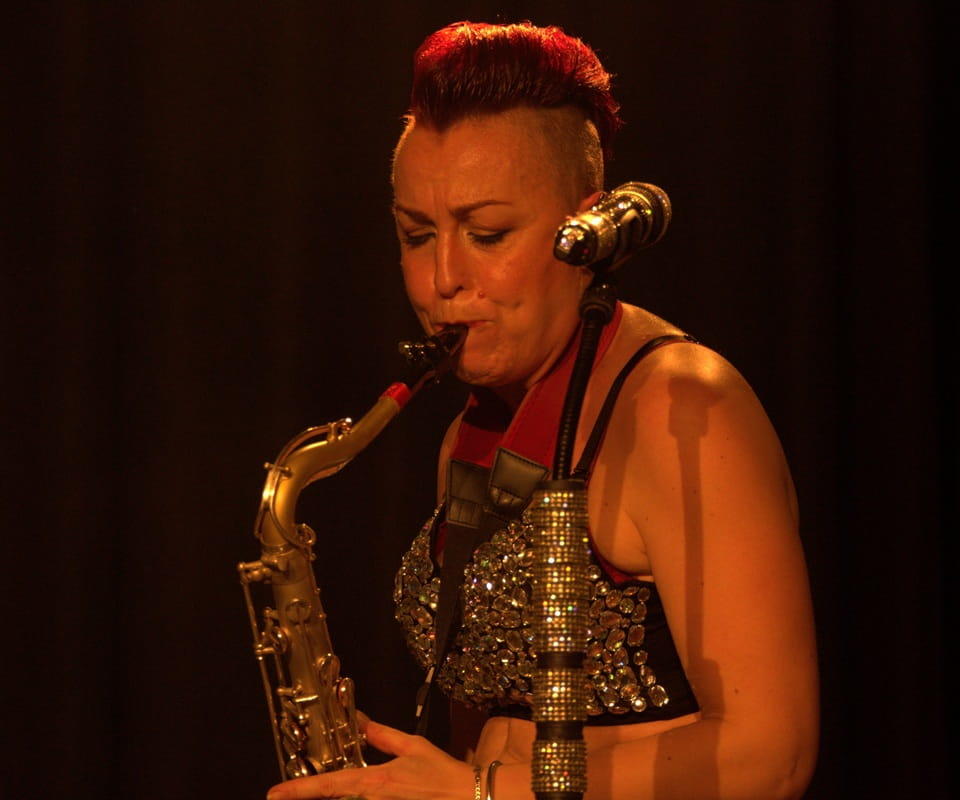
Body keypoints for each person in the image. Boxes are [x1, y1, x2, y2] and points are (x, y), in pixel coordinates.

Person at [267, 20, 818, 800]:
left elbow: (772, 754)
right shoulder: (467, 431)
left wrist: (480, 796)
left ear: (585, 231)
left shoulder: (682, 405)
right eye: (417, 236)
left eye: (487, 234)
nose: (442, 279)